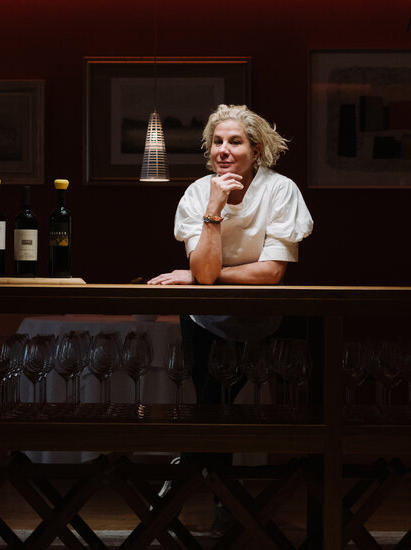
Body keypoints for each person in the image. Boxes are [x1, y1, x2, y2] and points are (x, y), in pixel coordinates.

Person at [148, 104, 313, 537]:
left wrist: (199, 276)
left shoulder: (280, 190)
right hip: (205, 320)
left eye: (235, 142)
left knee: (222, 414)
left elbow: (271, 273)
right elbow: (204, 276)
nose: (223, 150)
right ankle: (228, 507)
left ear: (256, 150)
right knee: (214, 410)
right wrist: (215, 207)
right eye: (216, 142)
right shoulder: (198, 193)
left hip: (263, 320)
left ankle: (186, 472)